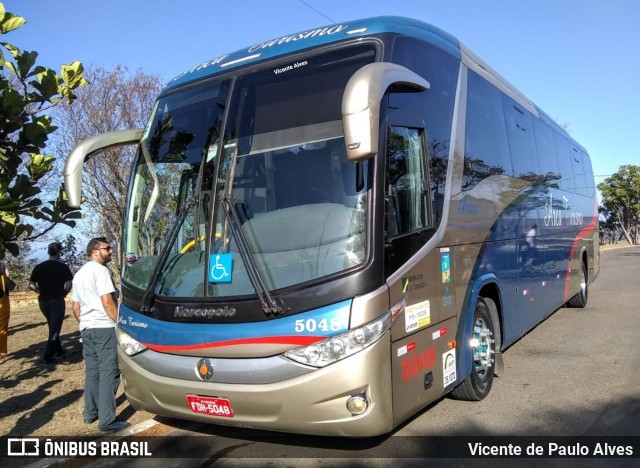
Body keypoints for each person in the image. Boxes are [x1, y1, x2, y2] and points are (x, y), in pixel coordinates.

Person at [71, 237, 129, 432]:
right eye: (107, 248)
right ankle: (107, 420)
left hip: (87, 328)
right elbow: (107, 302)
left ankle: (90, 413)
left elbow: (75, 307)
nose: (111, 251)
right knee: (109, 372)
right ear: (95, 251)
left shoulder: (79, 274)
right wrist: (119, 324)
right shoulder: (101, 271)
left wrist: (85, 323)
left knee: (92, 371)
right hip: (104, 327)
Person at [29, 242, 74, 364]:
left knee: (53, 325)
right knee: (55, 329)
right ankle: (47, 357)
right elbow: (69, 284)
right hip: (57, 301)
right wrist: (64, 293)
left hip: (43, 301)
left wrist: (39, 291)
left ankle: (59, 350)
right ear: (59, 253)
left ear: (48, 252)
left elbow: (31, 285)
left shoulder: (39, 267)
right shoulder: (63, 267)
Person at [0, 260, 12, 358]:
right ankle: (1, 351)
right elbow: (14, 287)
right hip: (2, 305)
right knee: (2, 328)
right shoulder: (4, 279)